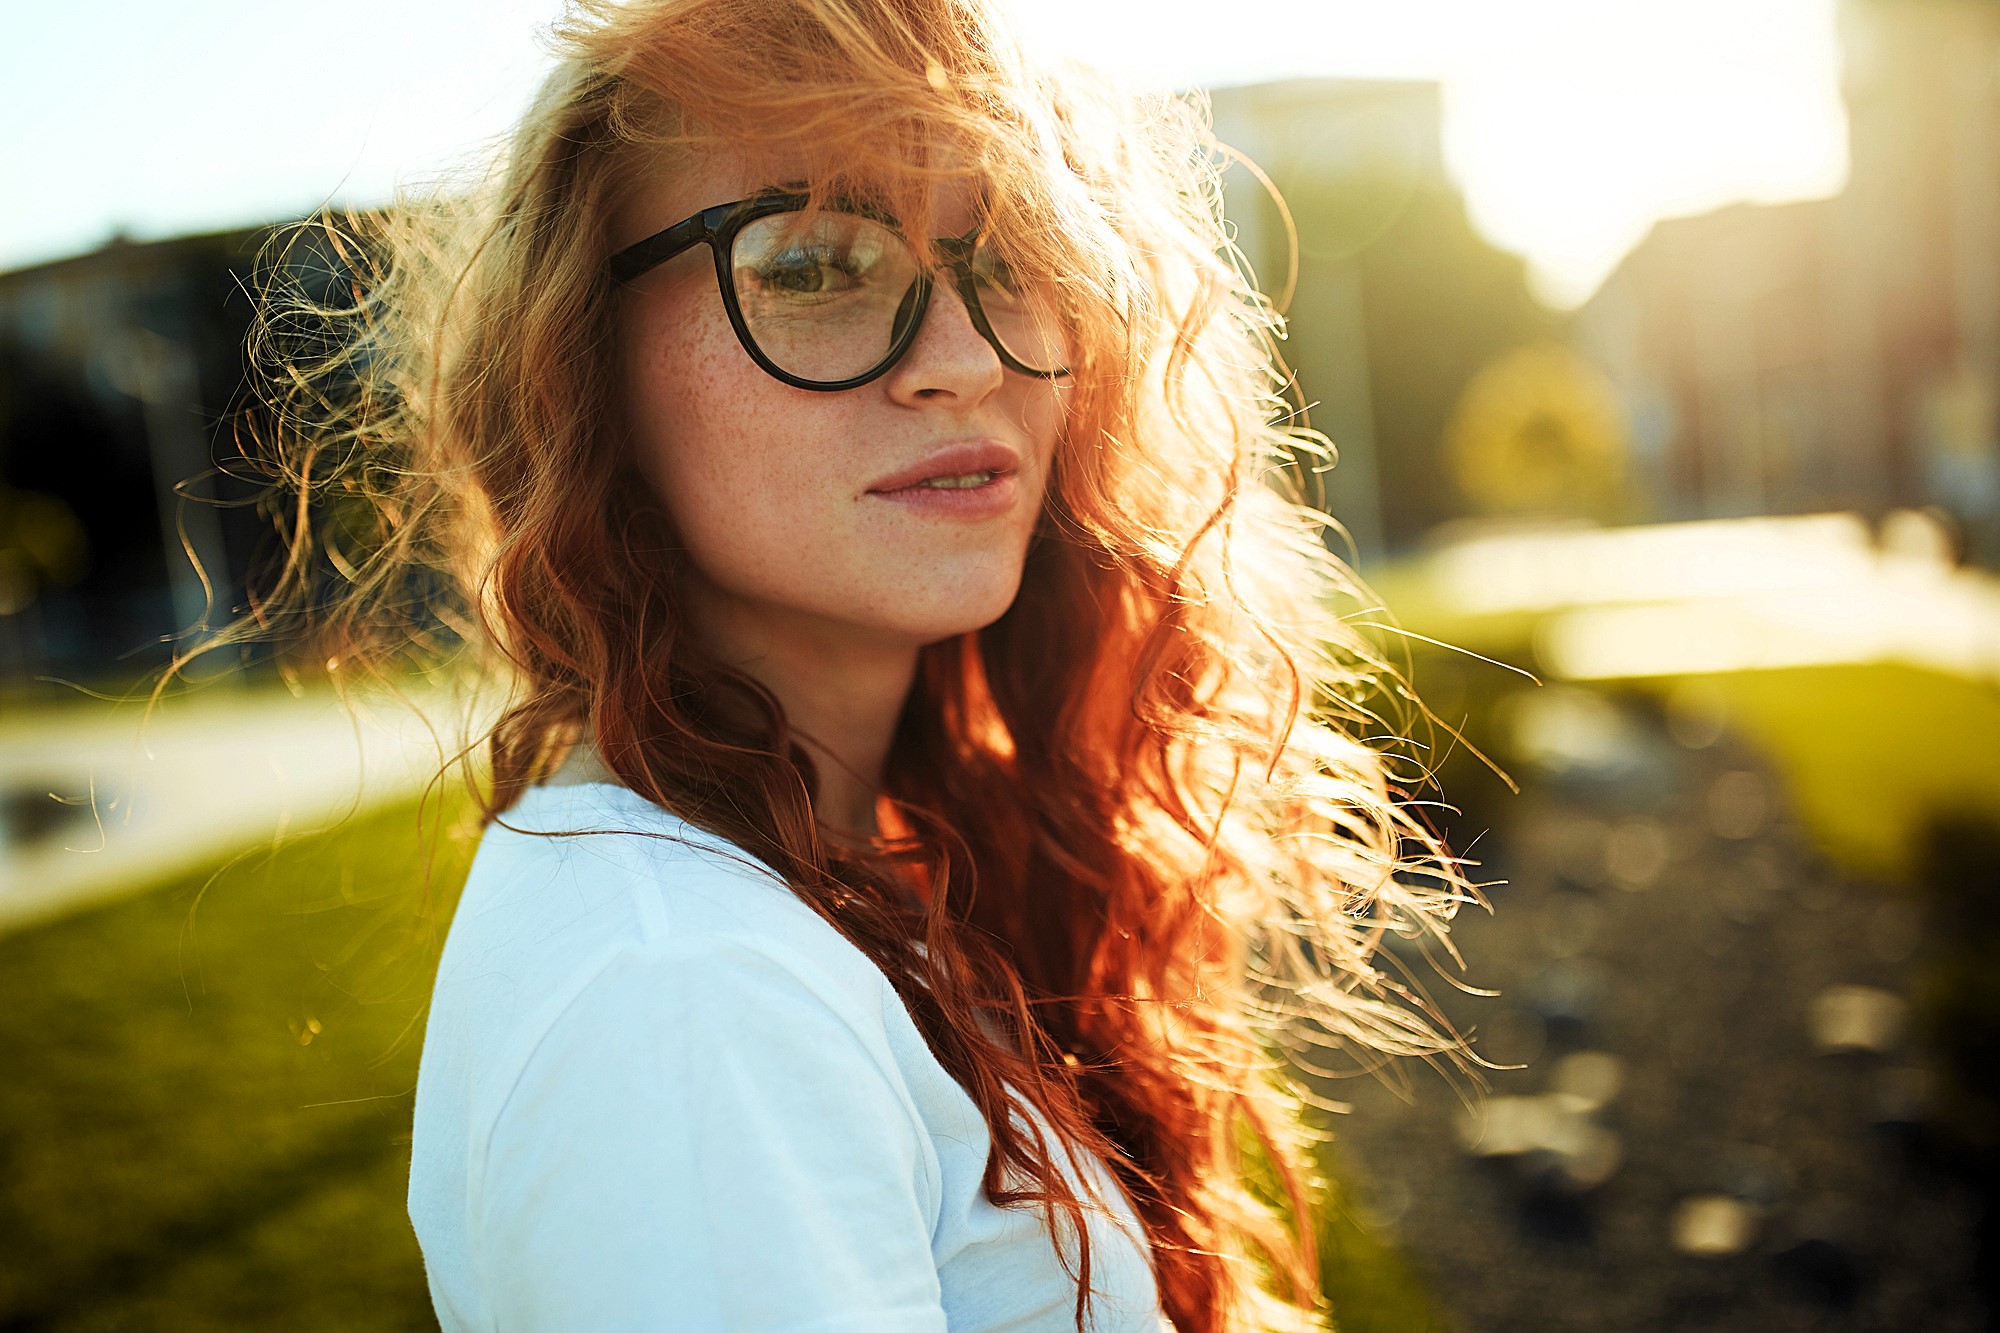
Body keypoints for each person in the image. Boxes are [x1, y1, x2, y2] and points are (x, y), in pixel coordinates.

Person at [242, 0, 1468, 1328]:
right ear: (580, 364)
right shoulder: (684, 995)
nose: (960, 359)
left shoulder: (834, 869)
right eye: (819, 264)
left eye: (1009, 255)